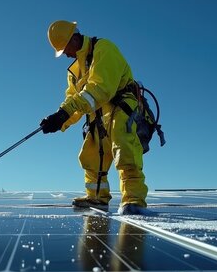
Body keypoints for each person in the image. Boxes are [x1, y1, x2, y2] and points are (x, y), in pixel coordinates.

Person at [40, 20, 149, 215]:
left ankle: (134, 200)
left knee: (124, 150)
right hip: (97, 115)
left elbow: (100, 89)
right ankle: (96, 198)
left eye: (65, 48)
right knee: (90, 155)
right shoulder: (74, 72)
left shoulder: (104, 49)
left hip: (120, 107)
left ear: (75, 38)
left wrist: (64, 113)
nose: (65, 54)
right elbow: (73, 100)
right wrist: (59, 119)